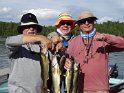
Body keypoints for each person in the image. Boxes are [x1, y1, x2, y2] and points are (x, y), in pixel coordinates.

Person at [64, 10, 124, 93]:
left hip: (101, 89)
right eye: (82, 21)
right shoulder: (73, 42)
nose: (86, 23)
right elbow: (68, 60)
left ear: (94, 22)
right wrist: (66, 63)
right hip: (78, 89)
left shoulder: (104, 39)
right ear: (78, 25)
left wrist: (106, 37)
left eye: (90, 20)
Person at [5, 13, 53, 93]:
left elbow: (54, 59)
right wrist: (41, 37)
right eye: (27, 26)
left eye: (34, 26)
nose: (31, 29)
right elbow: (9, 41)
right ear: (21, 29)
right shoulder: (17, 47)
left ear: (37, 29)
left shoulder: (43, 47)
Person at [47, 12, 76, 92]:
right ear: (58, 25)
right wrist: (56, 40)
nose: (65, 25)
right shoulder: (52, 35)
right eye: (63, 23)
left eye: (68, 23)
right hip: (54, 78)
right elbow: (49, 38)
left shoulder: (74, 39)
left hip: (69, 77)